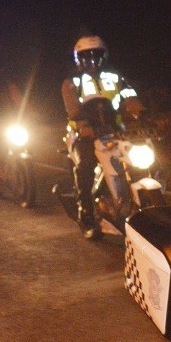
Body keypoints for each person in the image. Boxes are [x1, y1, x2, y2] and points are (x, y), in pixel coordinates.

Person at [61, 34, 143, 239]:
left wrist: (141, 113)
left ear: (103, 55)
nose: (92, 60)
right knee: (86, 165)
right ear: (78, 58)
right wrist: (83, 126)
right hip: (83, 134)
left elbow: (129, 96)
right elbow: (72, 107)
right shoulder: (72, 81)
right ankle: (86, 215)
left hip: (113, 129)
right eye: (86, 55)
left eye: (96, 55)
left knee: (139, 158)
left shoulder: (115, 77)